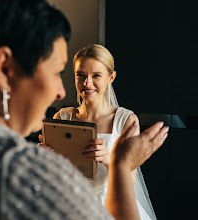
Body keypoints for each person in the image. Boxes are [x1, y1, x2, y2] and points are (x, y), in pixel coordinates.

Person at [0, 0, 168, 219]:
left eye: (96, 75)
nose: (61, 92)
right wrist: (120, 165)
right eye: (57, 72)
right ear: (4, 69)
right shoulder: (13, 169)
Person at [47, 44, 161, 220]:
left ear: (111, 77)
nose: (87, 83)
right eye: (81, 75)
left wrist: (108, 158)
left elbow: (130, 182)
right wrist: (47, 157)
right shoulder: (62, 117)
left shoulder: (127, 120)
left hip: (109, 207)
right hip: (68, 205)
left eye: (96, 76)